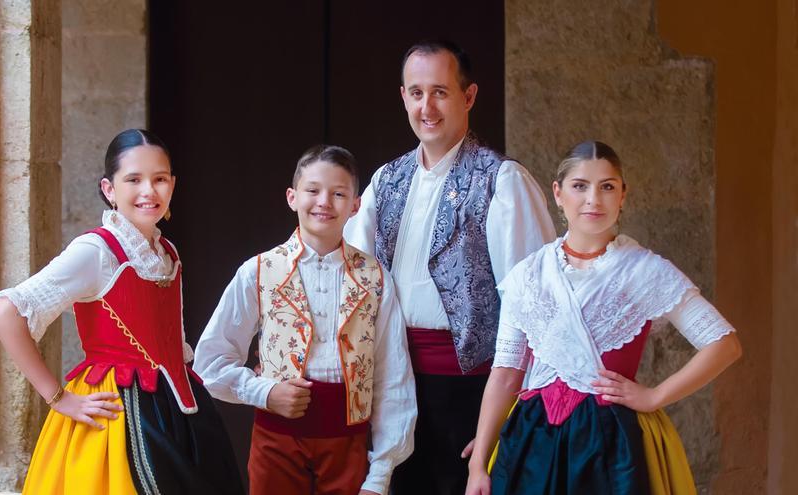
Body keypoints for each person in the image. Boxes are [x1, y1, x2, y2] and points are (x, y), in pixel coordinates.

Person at [465, 140, 743, 495]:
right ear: (558, 193)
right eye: (580, 186)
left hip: (612, 446)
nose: (593, 199)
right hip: (532, 440)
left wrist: (654, 396)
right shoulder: (529, 274)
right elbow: (505, 374)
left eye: (607, 187)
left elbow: (724, 345)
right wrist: (479, 464)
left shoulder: (645, 271)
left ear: (623, 195)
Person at [343, 40, 555, 494]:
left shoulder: (502, 181)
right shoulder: (386, 181)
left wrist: (503, 418)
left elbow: (535, 312)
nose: (427, 106)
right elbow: (353, 285)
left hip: (471, 394)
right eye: (416, 93)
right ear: (403, 97)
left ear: (469, 96)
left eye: (440, 91)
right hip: (393, 388)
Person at [0, 129, 242, 495]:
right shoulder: (95, 251)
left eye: (159, 179)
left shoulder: (166, 251)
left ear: (172, 184)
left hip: (180, 406)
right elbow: (4, 314)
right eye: (134, 179)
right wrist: (58, 398)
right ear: (109, 189)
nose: (148, 191)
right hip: (117, 412)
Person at [193, 145, 417, 495]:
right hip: (276, 440)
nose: (324, 201)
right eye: (313, 190)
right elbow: (210, 362)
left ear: (355, 205)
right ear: (292, 197)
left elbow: (392, 377)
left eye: (339, 193)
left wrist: (380, 473)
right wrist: (264, 392)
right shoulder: (258, 271)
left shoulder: (376, 278)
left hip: (349, 443)